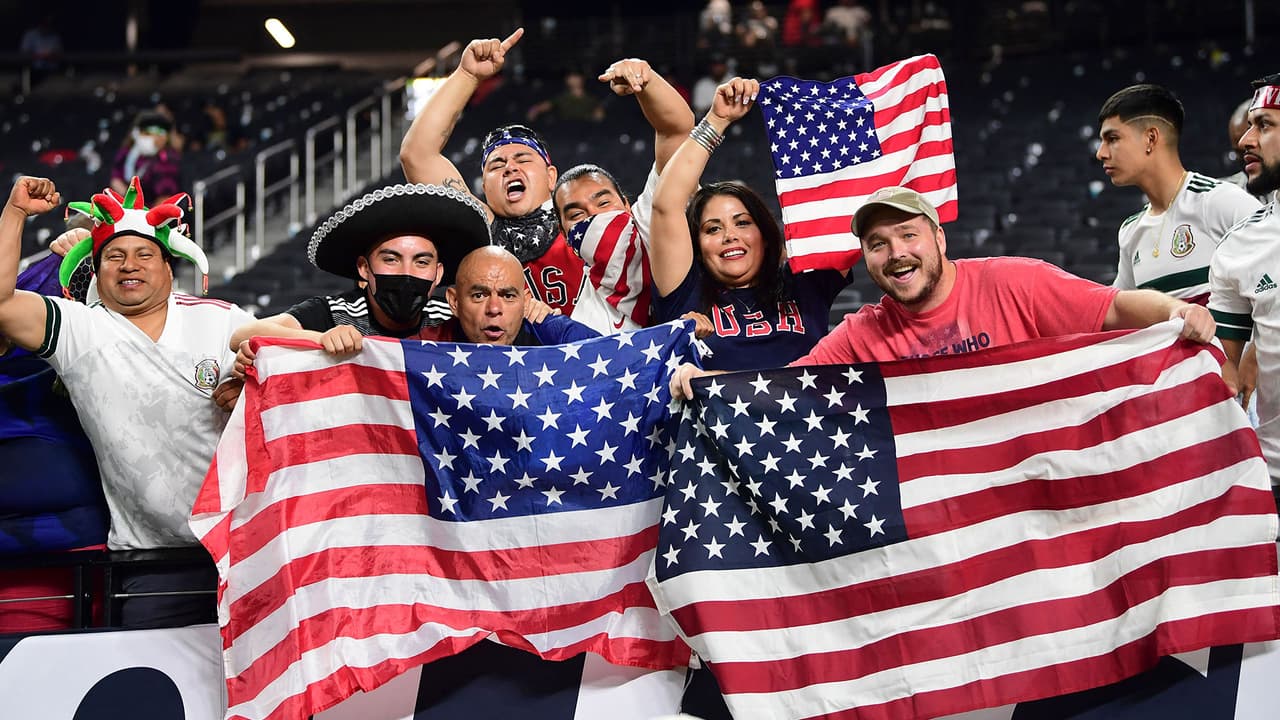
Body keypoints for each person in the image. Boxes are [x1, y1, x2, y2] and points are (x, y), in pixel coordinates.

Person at [672, 186, 1217, 398]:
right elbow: (788, 383)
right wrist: (709, 383)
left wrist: (1175, 311)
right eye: (878, 244)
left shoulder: (1015, 280)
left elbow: (1115, 308)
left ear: (938, 237)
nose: (896, 253)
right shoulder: (862, 334)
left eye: (908, 235)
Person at [0, 176, 253, 628]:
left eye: (144, 254)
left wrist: (258, 385)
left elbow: (281, 345)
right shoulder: (80, 330)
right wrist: (15, 213)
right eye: (114, 256)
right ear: (97, 273)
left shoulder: (221, 320)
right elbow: (2, 305)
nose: (129, 265)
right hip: (150, 563)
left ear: (169, 268)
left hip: (244, 549)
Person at [399, 29, 693, 335]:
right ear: (484, 188)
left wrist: (647, 81)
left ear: (551, 176)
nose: (510, 168)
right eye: (497, 165)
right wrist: (467, 75)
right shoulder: (479, 232)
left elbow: (677, 133)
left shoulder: (594, 221)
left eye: (523, 159)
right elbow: (416, 154)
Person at [649, 77, 851, 372]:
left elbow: (848, 196)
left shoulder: (803, 283)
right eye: (713, 229)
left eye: (742, 223)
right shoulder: (686, 294)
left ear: (764, 235)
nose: (730, 236)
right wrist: (717, 120)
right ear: (698, 247)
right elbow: (665, 204)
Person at [229, 182, 492, 357]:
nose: (407, 273)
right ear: (364, 268)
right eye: (391, 260)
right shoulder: (335, 312)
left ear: (438, 273)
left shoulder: (450, 317)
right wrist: (320, 339)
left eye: (421, 262)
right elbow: (241, 336)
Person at [1096, 84, 1260, 306]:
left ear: (1151, 138)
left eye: (1112, 138)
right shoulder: (1130, 231)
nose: (1101, 153)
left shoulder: (1221, 202)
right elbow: (1120, 312)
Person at [1209, 73, 1280, 490]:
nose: (1245, 140)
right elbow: (1223, 371)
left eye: (1264, 125)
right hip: (1272, 476)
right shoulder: (1239, 246)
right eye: (1249, 125)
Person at [111, 110, 183, 199]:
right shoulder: (126, 154)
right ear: (136, 133)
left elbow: (165, 196)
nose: (155, 138)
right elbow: (116, 177)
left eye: (160, 133)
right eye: (148, 132)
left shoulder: (168, 159)